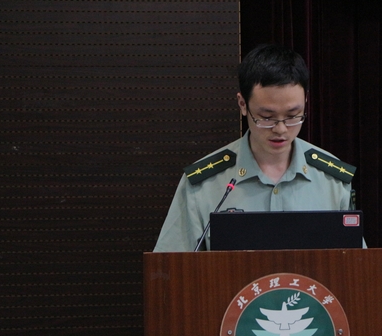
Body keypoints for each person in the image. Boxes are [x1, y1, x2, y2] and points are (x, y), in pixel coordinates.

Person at [154, 43, 360, 252]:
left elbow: (356, 265)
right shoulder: (205, 183)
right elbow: (172, 266)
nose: (280, 129)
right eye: (266, 117)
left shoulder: (331, 179)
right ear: (243, 104)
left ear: (306, 101)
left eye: (292, 115)